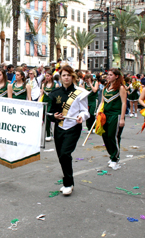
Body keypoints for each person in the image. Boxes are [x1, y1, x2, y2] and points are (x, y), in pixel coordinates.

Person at [48, 65, 90, 195]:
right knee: (61, 156)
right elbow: (49, 113)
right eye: (64, 75)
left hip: (73, 127)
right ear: (60, 78)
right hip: (59, 127)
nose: (66, 78)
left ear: (73, 77)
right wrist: (54, 116)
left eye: (68, 75)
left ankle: (68, 183)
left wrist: (81, 117)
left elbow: (85, 111)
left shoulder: (80, 93)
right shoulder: (54, 93)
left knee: (65, 153)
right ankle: (67, 181)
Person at [97, 68, 127, 170]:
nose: (108, 76)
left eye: (110, 75)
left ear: (116, 76)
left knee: (113, 136)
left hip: (116, 115)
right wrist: (98, 111)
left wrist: (122, 118)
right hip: (106, 115)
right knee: (105, 136)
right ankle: (112, 154)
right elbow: (102, 102)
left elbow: (124, 103)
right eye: (107, 75)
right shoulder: (105, 88)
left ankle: (115, 158)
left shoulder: (121, 88)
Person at [40, 71, 58, 141]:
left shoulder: (55, 85)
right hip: (44, 102)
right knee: (44, 119)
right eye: (46, 76)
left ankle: (48, 134)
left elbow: (57, 96)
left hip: (51, 103)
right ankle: (48, 131)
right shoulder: (43, 85)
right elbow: (41, 95)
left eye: (48, 76)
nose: (46, 77)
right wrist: (38, 102)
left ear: (51, 76)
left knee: (47, 117)